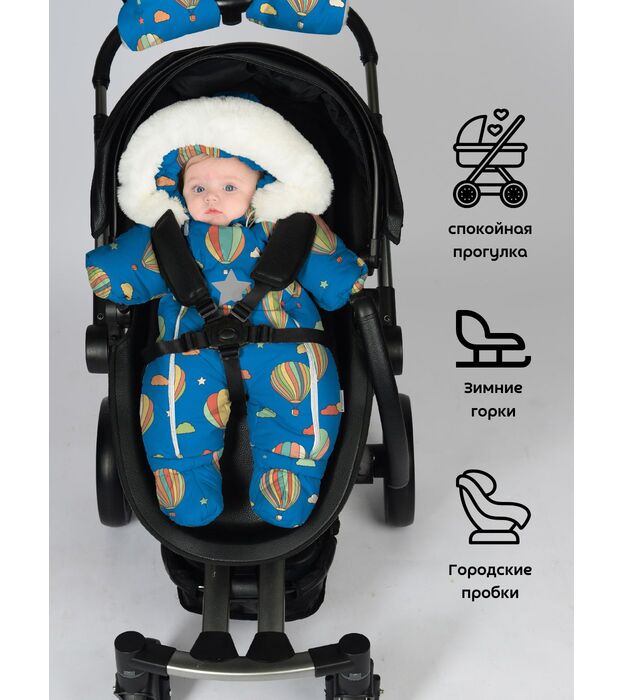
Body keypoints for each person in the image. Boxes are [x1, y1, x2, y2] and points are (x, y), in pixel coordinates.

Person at [86, 99, 367, 529]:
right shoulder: (170, 235)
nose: (211, 196)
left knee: (308, 401)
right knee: (170, 407)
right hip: (189, 351)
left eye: (230, 187)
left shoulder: (290, 228)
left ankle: (288, 480)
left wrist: (348, 278)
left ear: (262, 185)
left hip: (285, 344)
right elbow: (114, 274)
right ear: (179, 191)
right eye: (197, 188)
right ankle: (185, 484)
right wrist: (107, 272)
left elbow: (339, 281)